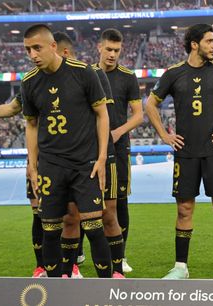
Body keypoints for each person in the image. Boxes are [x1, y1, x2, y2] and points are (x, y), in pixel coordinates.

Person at [145, 23, 213, 280]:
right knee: (184, 209)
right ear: (194, 44)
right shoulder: (174, 74)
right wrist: (164, 134)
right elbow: (150, 104)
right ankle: (181, 268)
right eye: (209, 41)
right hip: (185, 153)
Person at [21, 24, 111, 278]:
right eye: (28, 50)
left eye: (37, 48)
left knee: (94, 227)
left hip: (85, 164)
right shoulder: (29, 83)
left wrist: (102, 157)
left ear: (53, 46)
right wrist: (33, 165)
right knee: (50, 229)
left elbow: (102, 114)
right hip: (51, 166)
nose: (32, 55)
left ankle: (108, 293)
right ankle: (54, 293)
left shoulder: (83, 73)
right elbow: (31, 124)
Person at [54, 31, 125, 278]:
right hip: (70, 160)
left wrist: (103, 156)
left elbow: (103, 116)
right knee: (71, 218)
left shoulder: (93, 75)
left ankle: (116, 272)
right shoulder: (46, 80)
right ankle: (69, 271)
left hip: (101, 157)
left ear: (60, 51)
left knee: (107, 215)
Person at [97, 28, 143, 273]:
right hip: (91, 151)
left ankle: (120, 256)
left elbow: (138, 115)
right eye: (109, 49)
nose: (113, 54)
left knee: (120, 202)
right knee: (86, 202)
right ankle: (82, 253)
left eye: (117, 50)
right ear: (99, 48)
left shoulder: (128, 77)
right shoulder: (88, 74)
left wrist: (117, 132)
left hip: (119, 148)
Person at [0, 95, 47, 277]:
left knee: (69, 214)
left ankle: (71, 262)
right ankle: (41, 266)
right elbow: (12, 108)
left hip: (68, 154)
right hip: (38, 156)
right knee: (38, 213)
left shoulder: (74, 76)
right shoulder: (31, 83)